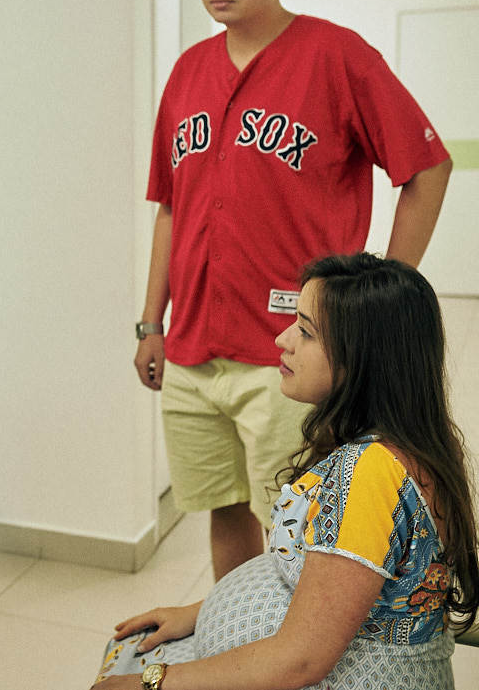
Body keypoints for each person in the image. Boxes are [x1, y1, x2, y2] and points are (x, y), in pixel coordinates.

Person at [133, 0, 453, 581]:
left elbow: (427, 166)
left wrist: (381, 295)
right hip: (192, 349)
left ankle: (301, 657)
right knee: (223, 506)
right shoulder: (189, 70)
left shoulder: (337, 57)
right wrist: (148, 322)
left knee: (300, 517)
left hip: (288, 348)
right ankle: (242, 636)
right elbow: (169, 207)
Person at [97, 252, 479, 689]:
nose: (282, 340)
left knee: (124, 668)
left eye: (305, 330)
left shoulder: (371, 473)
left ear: (362, 359)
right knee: (128, 650)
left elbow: (300, 661)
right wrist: (200, 613)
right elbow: (334, 592)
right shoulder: (399, 442)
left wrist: (153, 683)